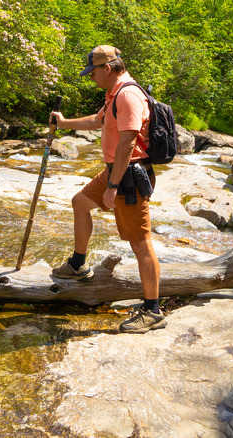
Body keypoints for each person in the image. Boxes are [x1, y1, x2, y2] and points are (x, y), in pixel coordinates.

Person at [49, 45, 166, 334]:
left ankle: (152, 310)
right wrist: (64, 124)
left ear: (109, 68)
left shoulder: (127, 95)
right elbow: (98, 121)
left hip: (127, 176)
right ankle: (78, 264)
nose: (91, 77)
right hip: (115, 170)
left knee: (140, 242)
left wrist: (112, 186)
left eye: (94, 72)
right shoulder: (115, 93)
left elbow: (127, 143)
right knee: (80, 202)